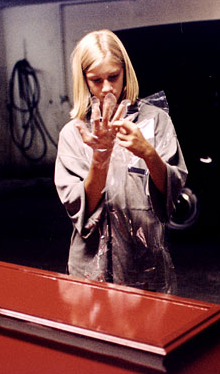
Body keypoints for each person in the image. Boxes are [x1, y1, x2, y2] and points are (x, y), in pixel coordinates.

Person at [54, 29, 187, 293]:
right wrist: (100, 159)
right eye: (96, 80)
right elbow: (79, 207)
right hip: (91, 266)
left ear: (125, 71)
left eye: (113, 77)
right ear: (84, 82)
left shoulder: (154, 121)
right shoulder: (74, 134)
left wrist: (148, 153)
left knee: (149, 331)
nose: (106, 89)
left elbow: (170, 192)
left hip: (145, 262)